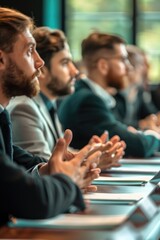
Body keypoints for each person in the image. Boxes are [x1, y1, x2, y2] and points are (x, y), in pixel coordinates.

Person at [0, 8, 104, 226]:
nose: (39, 62)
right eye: (29, 51)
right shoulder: (20, 108)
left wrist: (55, 169)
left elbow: (20, 166)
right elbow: (32, 199)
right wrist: (68, 180)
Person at [8, 26, 125, 169]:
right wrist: (90, 162)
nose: (75, 71)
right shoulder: (24, 107)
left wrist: (89, 152)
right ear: (42, 70)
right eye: (64, 63)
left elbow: (58, 155)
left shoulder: (47, 104)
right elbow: (45, 167)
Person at [58, 32, 160, 157]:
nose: (129, 67)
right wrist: (154, 134)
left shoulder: (95, 96)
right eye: (122, 59)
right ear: (103, 66)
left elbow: (125, 130)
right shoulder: (87, 100)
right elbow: (137, 146)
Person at [113, 44, 160, 132]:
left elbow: (150, 113)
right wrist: (141, 124)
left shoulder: (138, 90)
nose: (144, 70)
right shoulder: (114, 92)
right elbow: (116, 124)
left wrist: (153, 119)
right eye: (141, 65)